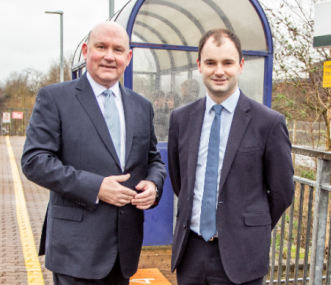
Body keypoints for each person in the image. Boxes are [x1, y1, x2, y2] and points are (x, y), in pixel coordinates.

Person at [21, 22, 167, 285]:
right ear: (87, 51)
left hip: (125, 249)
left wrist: (154, 185)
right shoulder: (55, 98)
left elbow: (153, 159)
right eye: (102, 47)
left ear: (128, 57)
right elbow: (35, 161)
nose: (110, 56)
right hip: (76, 250)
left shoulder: (141, 106)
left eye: (118, 49)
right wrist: (96, 187)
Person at [168, 28, 294, 285]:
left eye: (227, 62)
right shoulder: (181, 119)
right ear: (199, 65)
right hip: (190, 253)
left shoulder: (268, 123)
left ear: (241, 65)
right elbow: (180, 181)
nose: (219, 71)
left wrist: (247, 228)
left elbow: (282, 192)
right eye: (211, 62)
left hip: (242, 257)